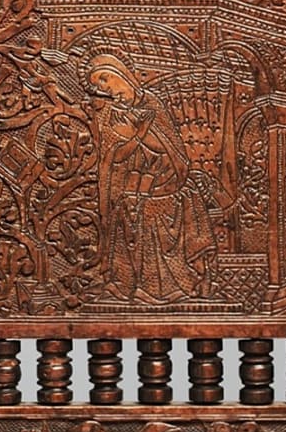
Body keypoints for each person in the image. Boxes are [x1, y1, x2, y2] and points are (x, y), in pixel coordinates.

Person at [86, 54, 215, 303]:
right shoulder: (111, 114)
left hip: (167, 181)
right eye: (99, 86)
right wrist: (139, 135)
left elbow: (172, 147)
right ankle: (137, 285)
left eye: (105, 78)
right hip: (135, 187)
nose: (105, 88)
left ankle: (178, 284)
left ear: (123, 74)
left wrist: (144, 138)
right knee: (137, 212)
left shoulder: (152, 102)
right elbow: (114, 156)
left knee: (171, 205)